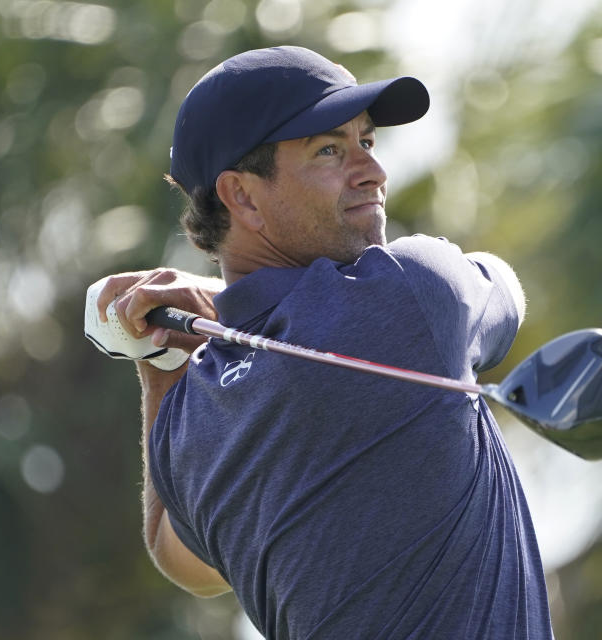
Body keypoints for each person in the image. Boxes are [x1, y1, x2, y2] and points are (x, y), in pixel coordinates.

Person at [94, 46, 554, 638]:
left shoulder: (191, 424)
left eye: (367, 142)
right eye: (330, 150)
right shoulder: (410, 294)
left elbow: (178, 555)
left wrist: (158, 362)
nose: (373, 172)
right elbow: (504, 289)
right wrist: (211, 298)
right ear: (242, 196)